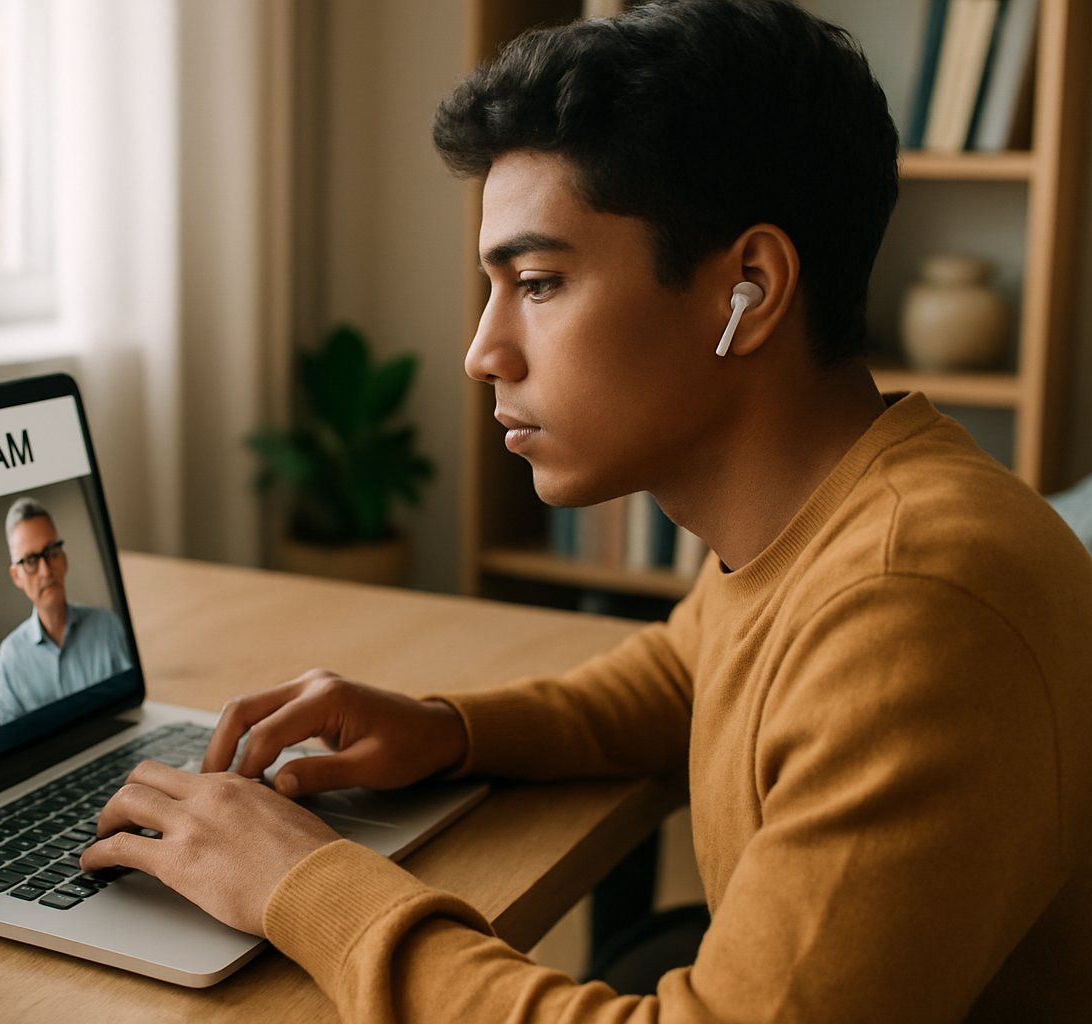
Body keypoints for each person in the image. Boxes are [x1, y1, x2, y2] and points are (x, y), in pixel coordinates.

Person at [80, 2, 1092, 1019]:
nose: (484, 351)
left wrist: (302, 884)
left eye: (539, 281)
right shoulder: (830, 510)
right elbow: (689, 670)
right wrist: (449, 730)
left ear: (750, 287)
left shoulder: (912, 605)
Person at [0, 496, 131, 724]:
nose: (45, 571)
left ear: (63, 559)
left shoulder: (107, 626)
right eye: (30, 560)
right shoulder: (10, 657)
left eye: (51, 552)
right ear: (16, 576)